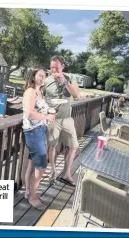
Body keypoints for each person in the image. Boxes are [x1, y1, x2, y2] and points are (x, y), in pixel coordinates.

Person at [43, 55, 80, 187]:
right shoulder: (46, 81)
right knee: (52, 146)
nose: (53, 70)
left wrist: (65, 81)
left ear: (62, 67)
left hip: (68, 118)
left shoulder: (70, 78)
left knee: (74, 146)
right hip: (53, 119)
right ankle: (53, 171)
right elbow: (40, 99)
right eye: (51, 67)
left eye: (56, 67)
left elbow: (76, 95)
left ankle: (66, 173)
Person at [22, 67, 56, 210]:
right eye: (40, 75)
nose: (43, 78)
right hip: (33, 132)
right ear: (33, 76)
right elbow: (30, 113)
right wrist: (47, 117)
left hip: (39, 131)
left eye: (44, 76)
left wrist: (50, 111)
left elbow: (41, 109)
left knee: (33, 164)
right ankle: (33, 197)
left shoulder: (39, 92)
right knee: (41, 166)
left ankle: (29, 192)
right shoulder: (30, 91)